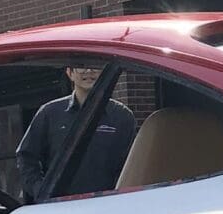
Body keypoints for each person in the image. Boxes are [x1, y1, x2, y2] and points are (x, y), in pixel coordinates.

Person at [15, 67, 135, 196]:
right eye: (81, 66)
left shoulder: (121, 116)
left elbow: (131, 163)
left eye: (95, 66)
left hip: (107, 204)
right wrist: (40, 190)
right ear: (70, 73)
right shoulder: (50, 113)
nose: (89, 71)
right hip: (60, 205)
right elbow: (26, 156)